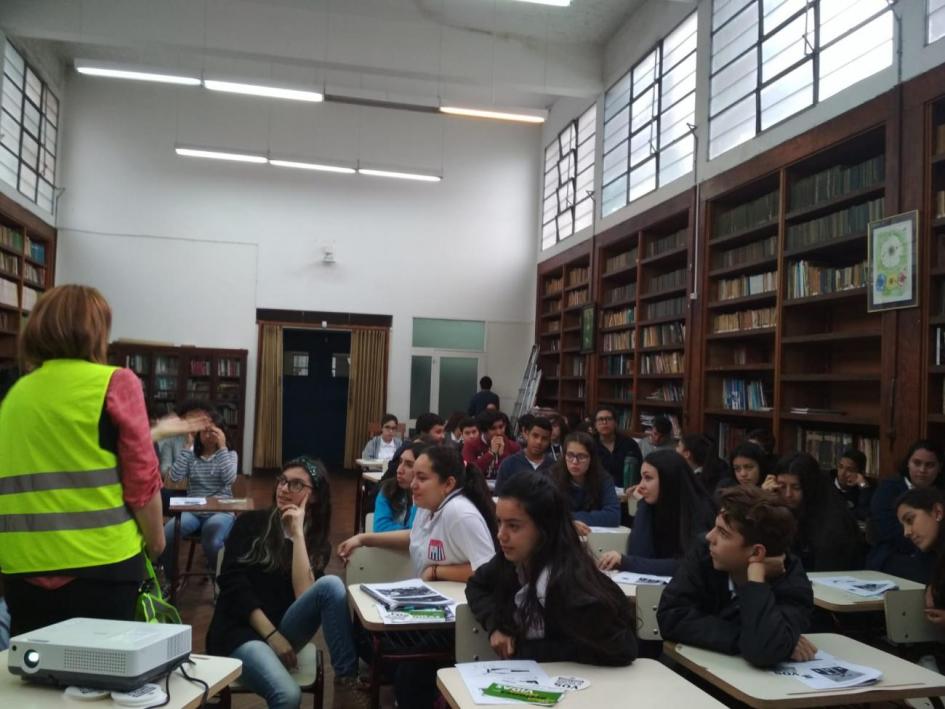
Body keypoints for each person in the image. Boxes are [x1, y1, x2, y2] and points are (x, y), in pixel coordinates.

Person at [0, 285, 167, 635]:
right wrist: (155, 543)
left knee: (37, 683)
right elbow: (141, 480)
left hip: (22, 569)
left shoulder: (14, 395)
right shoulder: (116, 383)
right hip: (103, 566)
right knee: (101, 684)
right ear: (96, 332)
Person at [337, 445, 497, 707]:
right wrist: (365, 538)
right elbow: (415, 538)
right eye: (415, 477)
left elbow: (489, 572)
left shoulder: (460, 513)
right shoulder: (426, 506)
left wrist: (438, 571)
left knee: (408, 674)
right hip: (431, 608)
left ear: (448, 484)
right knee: (364, 636)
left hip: (461, 620)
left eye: (422, 478)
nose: (413, 484)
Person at [207, 457, 364, 708]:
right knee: (288, 695)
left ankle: (346, 680)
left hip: (285, 628)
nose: (283, 489)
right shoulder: (250, 523)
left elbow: (304, 596)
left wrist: (298, 534)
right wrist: (272, 636)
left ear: (314, 496)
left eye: (296, 484)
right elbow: (233, 586)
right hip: (241, 632)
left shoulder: (314, 540)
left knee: (332, 586)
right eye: (282, 481)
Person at [466, 471, 637, 665]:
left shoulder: (568, 582)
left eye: (514, 526)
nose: (501, 535)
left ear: (543, 528)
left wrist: (528, 652)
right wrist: (496, 625)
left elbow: (623, 648)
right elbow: (476, 585)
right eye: (499, 523)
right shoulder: (511, 561)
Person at [657, 486, 816, 667]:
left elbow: (762, 651)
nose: (710, 537)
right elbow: (671, 616)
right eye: (714, 527)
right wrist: (746, 636)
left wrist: (756, 578)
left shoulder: (792, 582)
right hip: (689, 674)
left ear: (756, 551)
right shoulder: (705, 552)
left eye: (723, 533)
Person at [599, 450, 715, 576]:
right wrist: (643, 506)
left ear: (669, 479)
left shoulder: (700, 511)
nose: (641, 485)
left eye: (648, 478)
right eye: (641, 478)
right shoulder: (652, 506)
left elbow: (689, 565)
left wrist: (627, 562)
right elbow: (639, 554)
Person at [161, 408, 239, 578]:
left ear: (221, 433)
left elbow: (229, 479)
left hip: (220, 511)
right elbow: (173, 478)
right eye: (204, 431)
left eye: (213, 431)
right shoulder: (191, 455)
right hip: (194, 509)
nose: (208, 435)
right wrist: (188, 447)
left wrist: (222, 446)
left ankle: (219, 580)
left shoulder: (230, 455)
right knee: (167, 534)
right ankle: (171, 578)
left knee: (212, 540)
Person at [773, 453, 864, 571]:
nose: (788, 494)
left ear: (809, 487)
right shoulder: (782, 509)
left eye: (796, 488)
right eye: (782, 486)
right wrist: (764, 500)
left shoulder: (833, 521)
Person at [868, 440, 945, 582]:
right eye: (917, 463)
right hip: (893, 555)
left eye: (930, 465)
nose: (922, 470)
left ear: (939, 467)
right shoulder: (888, 488)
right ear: (908, 463)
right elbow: (888, 531)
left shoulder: (941, 492)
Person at [895, 488, 945, 627]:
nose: (906, 532)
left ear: (937, 512)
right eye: (903, 526)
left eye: (910, 520)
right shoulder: (933, 556)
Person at [551, 432, 620, 530]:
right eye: (570, 455)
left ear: (591, 459)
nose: (574, 462)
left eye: (581, 456)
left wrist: (568, 518)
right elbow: (546, 514)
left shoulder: (603, 478)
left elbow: (613, 516)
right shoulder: (553, 476)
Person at [494, 417, 554, 495]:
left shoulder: (554, 468)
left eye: (544, 439)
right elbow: (499, 496)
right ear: (526, 434)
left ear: (549, 440)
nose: (539, 442)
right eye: (535, 436)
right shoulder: (509, 464)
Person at [372, 440, 421, 532]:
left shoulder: (428, 497)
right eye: (400, 462)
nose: (399, 470)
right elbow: (380, 528)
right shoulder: (388, 489)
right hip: (389, 546)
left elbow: (416, 534)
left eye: (409, 465)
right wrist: (408, 532)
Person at [593, 406, 643, 489]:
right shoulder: (590, 444)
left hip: (626, 492)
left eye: (609, 419)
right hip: (598, 492)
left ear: (615, 422)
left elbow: (640, 471)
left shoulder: (629, 444)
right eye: (600, 419)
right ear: (595, 424)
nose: (605, 422)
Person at [462, 409, 521, 480]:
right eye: (493, 428)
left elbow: (518, 473)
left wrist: (502, 455)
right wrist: (491, 454)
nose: (499, 432)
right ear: (483, 430)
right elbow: (468, 472)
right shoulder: (471, 445)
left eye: (501, 427)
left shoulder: (513, 446)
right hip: (478, 488)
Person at [833, 448, 873, 522]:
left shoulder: (863, 488)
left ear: (860, 473)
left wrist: (863, 486)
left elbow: (864, 515)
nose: (842, 473)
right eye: (840, 467)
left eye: (849, 470)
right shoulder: (826, 485)